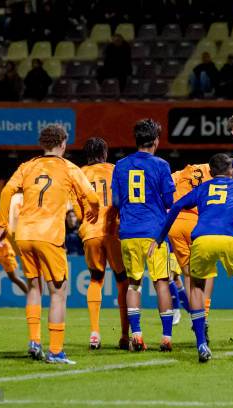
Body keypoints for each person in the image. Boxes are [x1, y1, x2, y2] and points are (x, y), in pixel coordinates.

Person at [151, 153, 233, 363]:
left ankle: (201, 344)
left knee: (196, 286)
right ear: (231, 171)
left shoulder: (202, 188)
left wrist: (160, 236)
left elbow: (177, 206)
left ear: (211, 173)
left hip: (203, 239)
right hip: (232, 239)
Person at [0, 125, 100, 364]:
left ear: (43, 144)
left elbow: (6, 191)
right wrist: (93, 211)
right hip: (49, 236)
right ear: (63, 143)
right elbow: (92, 197)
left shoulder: (27, 166)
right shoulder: (68, 168)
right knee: (58, 292)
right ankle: (55, 351)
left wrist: (4, 223)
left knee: (34, 287)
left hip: (23, 234)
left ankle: (34, 342)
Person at [111, 119, 175, 352]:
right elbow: (169, 201)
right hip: (154, 233)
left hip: (129, 232)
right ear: (156, 141)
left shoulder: (120, 165)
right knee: (161, 284)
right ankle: (166, 337)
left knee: (133, 285)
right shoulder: (161, 165)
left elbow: (116, 201)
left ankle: (136, 335)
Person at [73, 137, 129, 350]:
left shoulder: (79, 173)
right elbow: (123, 199)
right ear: (105, 153)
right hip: (114, 230)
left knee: (96, 279)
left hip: (91, 231)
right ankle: (124, 335)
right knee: (122, 280)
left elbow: (77, 208)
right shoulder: (116, 169)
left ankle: (94, 332)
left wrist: (84, 220)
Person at [169, 163, 213, 334]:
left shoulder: (179, 173)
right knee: (207, 271)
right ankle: (205, 315)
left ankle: (196, 316)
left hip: (176, 224)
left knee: (188, 274)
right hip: (199, 224)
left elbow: (164, 191)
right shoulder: (211, 170)